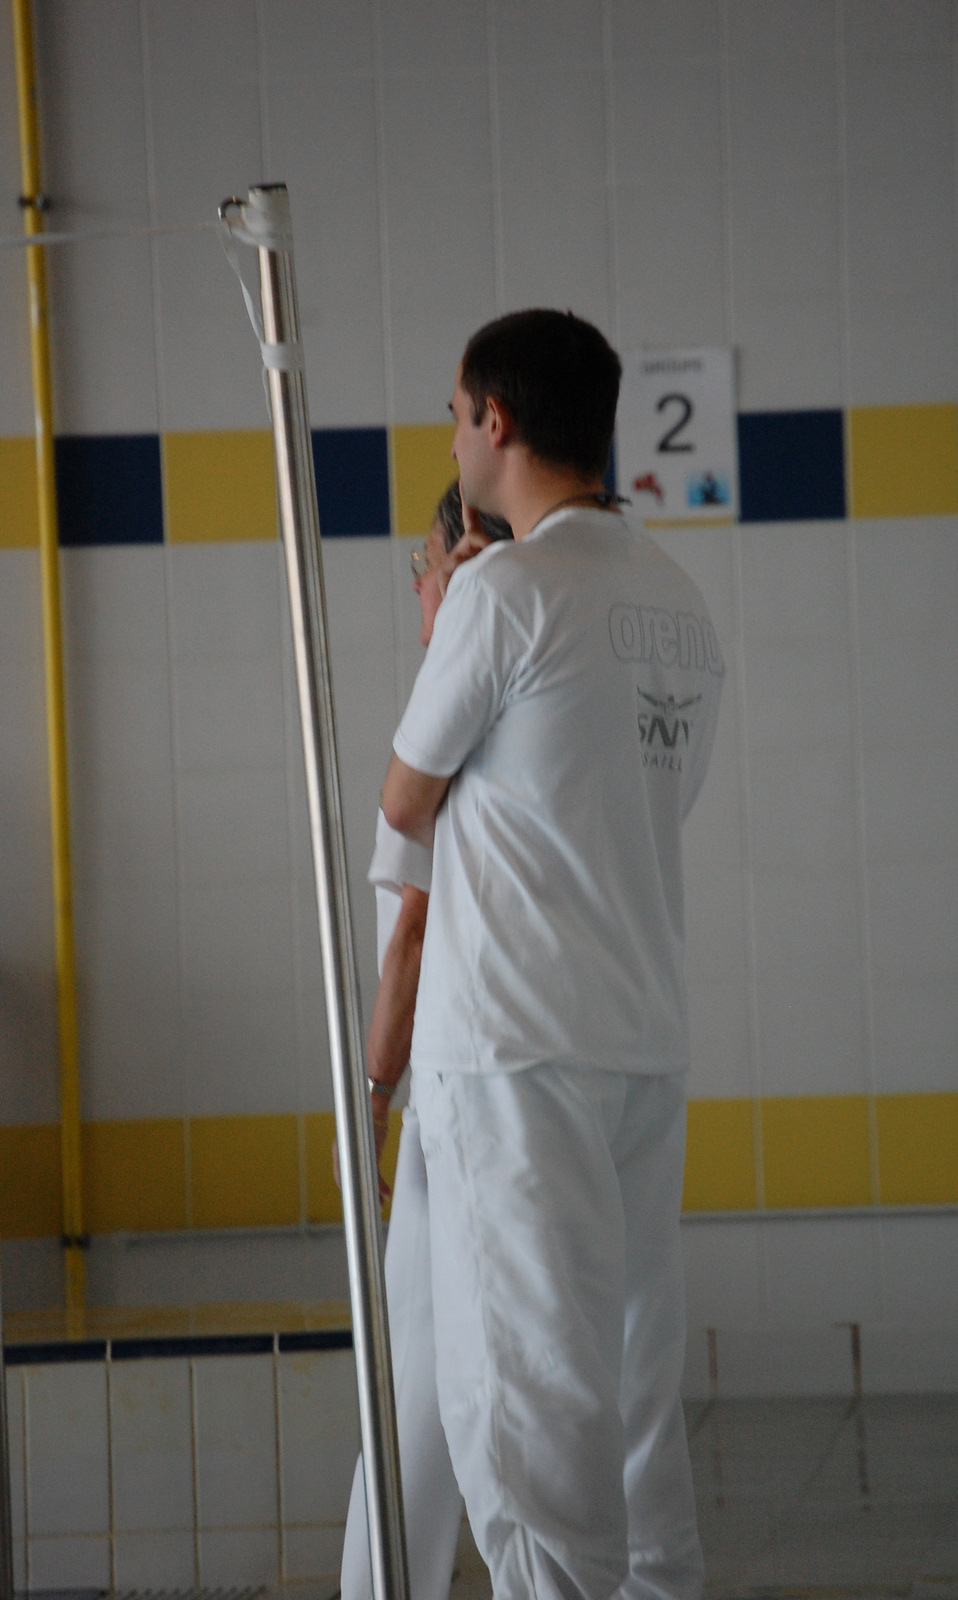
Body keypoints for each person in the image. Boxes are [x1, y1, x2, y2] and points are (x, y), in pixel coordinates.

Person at [381, 310, 725, 1600]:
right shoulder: (676, 600)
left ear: (498, 419)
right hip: (637, 1038)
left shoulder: (502, 593)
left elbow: (405, 796)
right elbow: (642, 803)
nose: (452, 442)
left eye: (454, 417)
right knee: (631, 1393)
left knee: (526, 1404)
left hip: (513, 1054)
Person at [340, 482, 511, 1600]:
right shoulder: (513, 702)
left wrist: (370, 1096)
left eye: (424, 561)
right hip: (483, 1086)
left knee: (415, 1407)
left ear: (464, 565)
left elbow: (411, 925)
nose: (416, 583)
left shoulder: (455, 714)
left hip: (449, 1096)